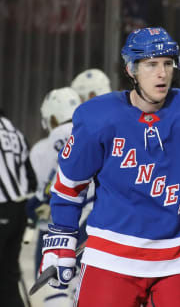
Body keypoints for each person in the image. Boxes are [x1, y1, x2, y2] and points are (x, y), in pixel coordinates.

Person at [39, 27, 180, 307]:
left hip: (179, 258)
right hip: (111, 257)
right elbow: (70, 184)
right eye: (151, 64)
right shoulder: (98, 116)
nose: (162, 73)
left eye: (167, 64)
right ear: (131, 69)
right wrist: (61, 234)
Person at [27, 87, 82, 307]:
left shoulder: (46, 145)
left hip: (58, 229)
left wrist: (32, 206)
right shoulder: (95, 132)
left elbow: (39, 194)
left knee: (55, 290)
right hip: (95, 226)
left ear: (51, 117)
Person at [0, 112, 37, 307]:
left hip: (2, 205)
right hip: (19, 209)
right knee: (8, 276)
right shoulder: (14, 131)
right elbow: (31, 178)